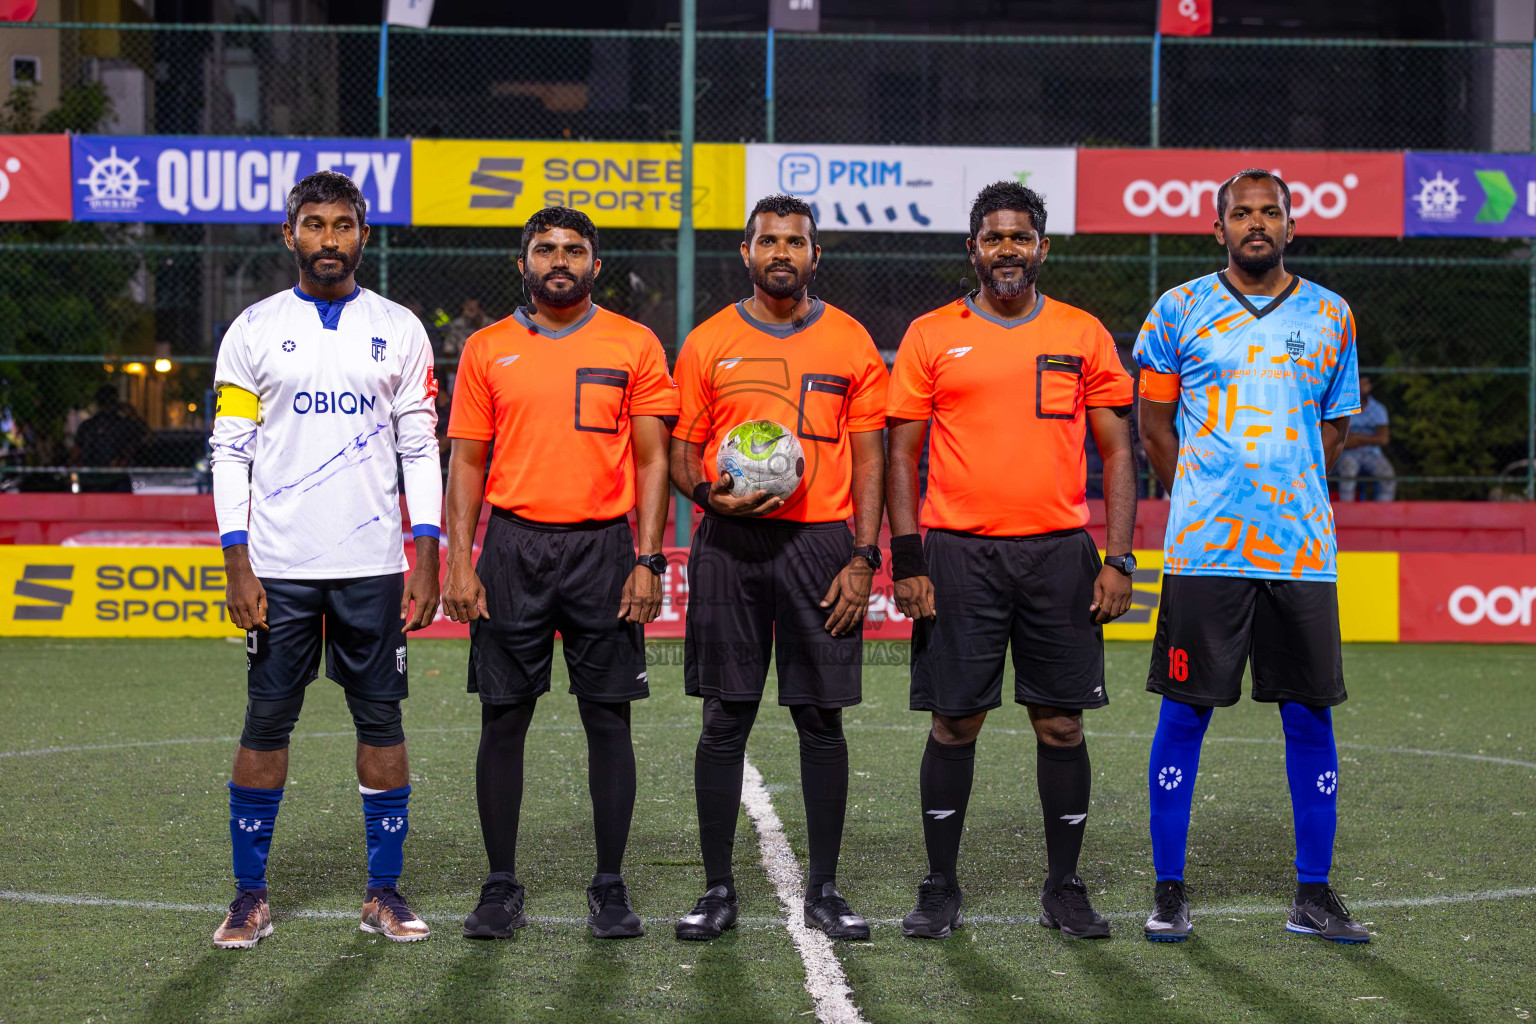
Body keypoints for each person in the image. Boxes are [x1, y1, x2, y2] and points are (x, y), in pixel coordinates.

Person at [886, 181, 1137, 941]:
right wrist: (907, 558)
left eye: (1019, 237)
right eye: (992, 238)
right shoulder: (931, 335)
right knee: (954, 721)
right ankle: (940, 887)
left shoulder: (1083, 332)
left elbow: (1119, 450)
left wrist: (1119, 557)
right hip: (959, 553)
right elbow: (901, 455)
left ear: (1042, 248)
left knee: (1060, 725)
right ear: (973, 250)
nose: (1006, 250)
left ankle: (1064, 887)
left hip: (1060, 555)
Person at [207, 170, 443, 949]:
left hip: (373, 565)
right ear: (289, 235)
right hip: (279, 566)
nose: (329, 239)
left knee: (381, 720)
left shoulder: (401, 328)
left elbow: (419, 446)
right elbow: (230, 451)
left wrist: (429, 547)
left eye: (343, 225)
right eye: (314, 224)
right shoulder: (252, 329)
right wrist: (237, 558)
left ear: (364, 236)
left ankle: (383, 891)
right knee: (267, 720)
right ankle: (249, 897)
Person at [1135, 169, 1369, 944]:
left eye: (1271, 213)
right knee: (1186, 713)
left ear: (1291, 226)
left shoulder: (1332, 315)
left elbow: (1334, 430)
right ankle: (1168, 891)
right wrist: (1204, 492)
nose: (1257, 224)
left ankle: (1313, 893)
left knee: (1309, 716)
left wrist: (1280, 485)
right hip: (1205, 550)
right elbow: (1154, 427)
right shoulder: (1178, 309)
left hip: (1300, 552)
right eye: (1242, 213)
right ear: (1218, 227)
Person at [442, 207, 677, 941]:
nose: (560, 260)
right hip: (512, 547)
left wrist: (647, 557)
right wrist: (460, 558)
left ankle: (609, 886)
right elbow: (467, 463)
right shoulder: (487, 348)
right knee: (503, 719)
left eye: (574, 249)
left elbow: (651, 461)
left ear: (595, 265)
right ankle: (499, 886)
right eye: (545, 249)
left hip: (604, 549)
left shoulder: (634, 343)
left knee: (608, 719)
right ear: (524, 263)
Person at [670, 195, 888, 942]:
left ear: (815, 255)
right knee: (723, 717)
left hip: (821, 545)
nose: (782, 252)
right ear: (746, 251)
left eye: (796, 241)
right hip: (729, 545)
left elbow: (870, 460)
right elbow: (676, 449)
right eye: (769, 241)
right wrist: (707, 494)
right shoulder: (708, 343)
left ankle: (824, 889)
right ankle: (717, 889)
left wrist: (864, 556)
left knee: (820, 719)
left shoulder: (852, 343)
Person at [74, 384, 147, 492]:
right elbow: (145, 438)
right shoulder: (123, 424)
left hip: (96, 477)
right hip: (111, 477)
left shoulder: (88, 425)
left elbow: (76, 452)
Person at [1337, 374, 1394, 501]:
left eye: (1367, 384)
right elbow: (1342, 441)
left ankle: (1383, 515)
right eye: (1361, 384)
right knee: (1348, 470)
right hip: (1347, 454)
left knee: (1388, 475)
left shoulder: (1378, 409)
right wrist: (1370, 438)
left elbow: (1384, 439)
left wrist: (1357, 438)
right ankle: (1347, 514)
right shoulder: (1343, 407)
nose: (1365, 387)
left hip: (1372, 453)